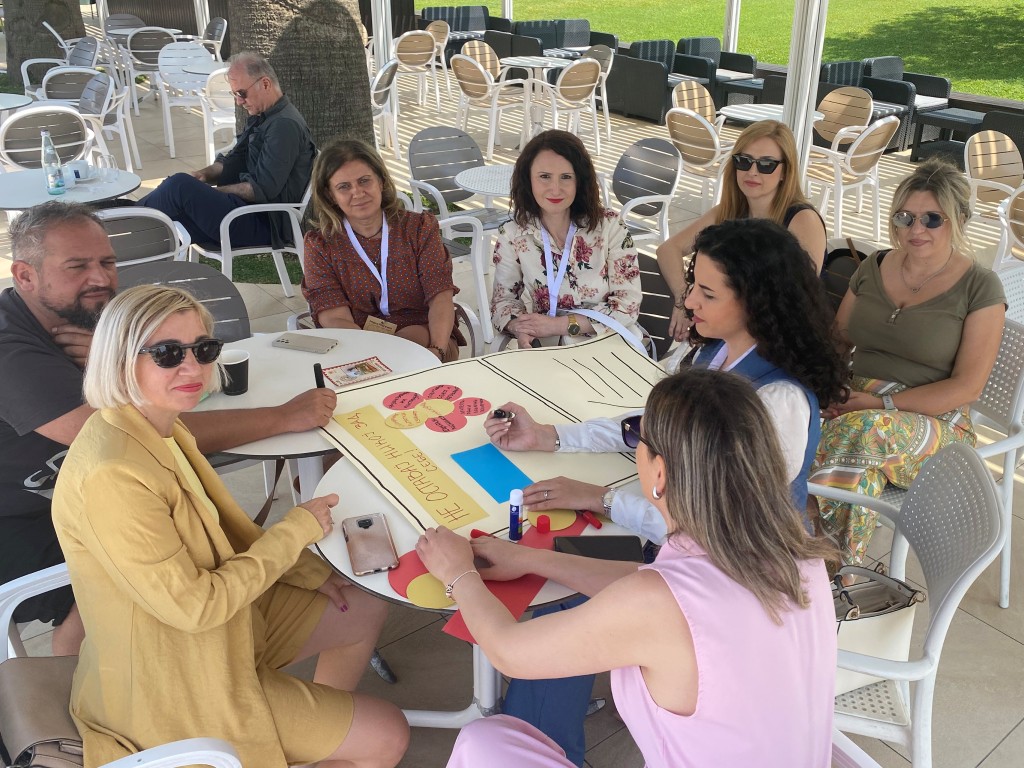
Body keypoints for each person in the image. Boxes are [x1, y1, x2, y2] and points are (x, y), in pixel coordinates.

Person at [482, 219, 847, 763]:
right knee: (559, 562)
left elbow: (717, 525)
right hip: (695, 556)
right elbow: (648, 422)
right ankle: (547, 729)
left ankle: (540, 743)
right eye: (693, 284)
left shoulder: (781, 403)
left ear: (756, 302)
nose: (689, 300)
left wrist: (602, 498)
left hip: (730, 576)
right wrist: (550, 436)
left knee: (563, 594)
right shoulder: (713, 355)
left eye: (707, 292)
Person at [51, 285, 409, 768]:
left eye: (203, 349)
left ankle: (301, 734)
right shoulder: (113, 475)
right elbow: (196, 608)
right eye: (167, 353)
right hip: (172, 678)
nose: (192, 368)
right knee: (387, 734)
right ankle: (287, 737)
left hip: (218, 629)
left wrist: (304, 569)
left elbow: (225, 532)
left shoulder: (157, 424)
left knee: (361, 603)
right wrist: (295, 531)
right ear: (118, 361)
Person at [417, 368, 838, 768]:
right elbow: (663, 590)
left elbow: (510, 652)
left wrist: (458, 573)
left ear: (660, 473)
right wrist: (531, 559)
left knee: (484, 742)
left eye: (638, 436)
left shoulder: (657, 604)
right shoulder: (799, 554)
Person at [0, 201, 337, 656]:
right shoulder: (12, 352)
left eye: (107, 263)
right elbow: (133, 434)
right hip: (19, 520)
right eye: (77, 266)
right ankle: (78, 690)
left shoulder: (79, 317)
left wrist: (108, 351)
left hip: (78, 491)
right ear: (24, 275)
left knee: (195, 541)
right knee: (106, 587)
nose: (100, 279)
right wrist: (283, 417)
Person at [811, 158, 1006, 566]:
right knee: (792, 419)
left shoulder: (979, 286)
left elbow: (967, 386)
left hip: (936, 422)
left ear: (959, 219)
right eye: (905, 217)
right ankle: (835, 573)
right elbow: (838, 340)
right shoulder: (874, 266)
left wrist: (879, 405)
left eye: (932, 219)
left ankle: (819, 555)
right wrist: (827, 387)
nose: (915, 230)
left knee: (862, 432)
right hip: (857, 402)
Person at [656, 120, 827, 342]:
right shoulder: (730, 211)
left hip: (779, 340)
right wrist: (685, 299)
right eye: (744, 161)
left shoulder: (802, 220)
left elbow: (796, 299)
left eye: (766, 164)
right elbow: (668, 249)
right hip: (731, 333)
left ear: (785, 172)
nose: (752, 172)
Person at [301, 139, 462, 362]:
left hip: (428, 337)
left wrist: (437, 351)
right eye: (344, 187)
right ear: (330, 195)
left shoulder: (418, 229)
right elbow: (334, 317)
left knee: (414, 339)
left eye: (364, 181)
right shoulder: (321, 245)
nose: (357, 193)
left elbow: (440, 296)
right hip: (358, 343)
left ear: (381, 181)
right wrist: (376, 354)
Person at [140, 52, 315, 248]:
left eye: (241, 93)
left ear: (265, 84)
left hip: (265, 222)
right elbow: (235, 160)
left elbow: (262, 189)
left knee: (179, 186)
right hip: (246, 213)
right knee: (165, 224)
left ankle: (125, 216)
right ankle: (124, 226)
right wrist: (204, 175)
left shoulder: (284, 125)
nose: (239, 102)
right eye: (235, 95)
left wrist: (211, 192)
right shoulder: (264, 116)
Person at [490, 130, 642, 348]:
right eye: (544, 176)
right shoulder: (513, 234)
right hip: (547, 345)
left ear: (580, 180)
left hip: (609, 342)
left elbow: (628, 305)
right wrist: (520, 327)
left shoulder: (610, 226)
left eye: (566, 177)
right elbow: (503, 301)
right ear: (528, 179)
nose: (555, 189)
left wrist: (558, 326)